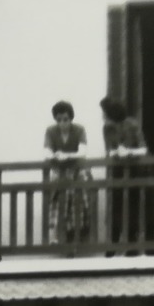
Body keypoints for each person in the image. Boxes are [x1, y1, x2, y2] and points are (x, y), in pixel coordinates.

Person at [100, 96, 148, 250]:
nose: (103, 116)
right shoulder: (107, 127)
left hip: (135, 172)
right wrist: (116, 152)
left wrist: (129, 152)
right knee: (115, 208)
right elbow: (109, 150)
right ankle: (112, 246)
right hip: (117, 173)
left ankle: (132, 247)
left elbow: (143, 149)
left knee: (133, 208)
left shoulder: (132, 124)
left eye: (104, 113)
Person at [43, 100, 91, 244]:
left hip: (77, 171)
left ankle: (77, 235)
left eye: (65, 119)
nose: (62, 123)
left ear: (71, 118)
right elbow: (47, 151)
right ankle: (55, 235)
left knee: (79, 200)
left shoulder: (79, 129)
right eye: (59, 120)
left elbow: (82, 152)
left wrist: (66, 155)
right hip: (59, 172)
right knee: (56, 199)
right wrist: (55, 156)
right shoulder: (51, 131)